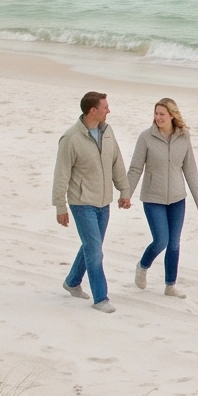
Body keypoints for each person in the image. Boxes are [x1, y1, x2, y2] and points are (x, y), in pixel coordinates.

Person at [123, 97, 198, 298]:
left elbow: (190, 169)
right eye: (156, 113)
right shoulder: (146, 137)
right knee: (161, 240)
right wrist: (126, 194)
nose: (158, 117)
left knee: (174, 243)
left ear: (172, 115)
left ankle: (170, 285)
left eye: (162, 114)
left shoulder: (184, 137)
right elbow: (135, 168)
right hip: (153, 197)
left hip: (178, 198)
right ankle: (143, 266)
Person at [52, 90, 129, 313]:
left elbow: (117, 162)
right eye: (105, 107)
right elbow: (61, 174)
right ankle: (101, 298)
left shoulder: (107, 131)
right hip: (81, 202)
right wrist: (60, 205)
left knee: (91, 246)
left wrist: (124, 190)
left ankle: (72, 282)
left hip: (103, 202)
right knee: (95, 250)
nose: (109, 110)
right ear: (92, 110)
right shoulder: (71, 139)